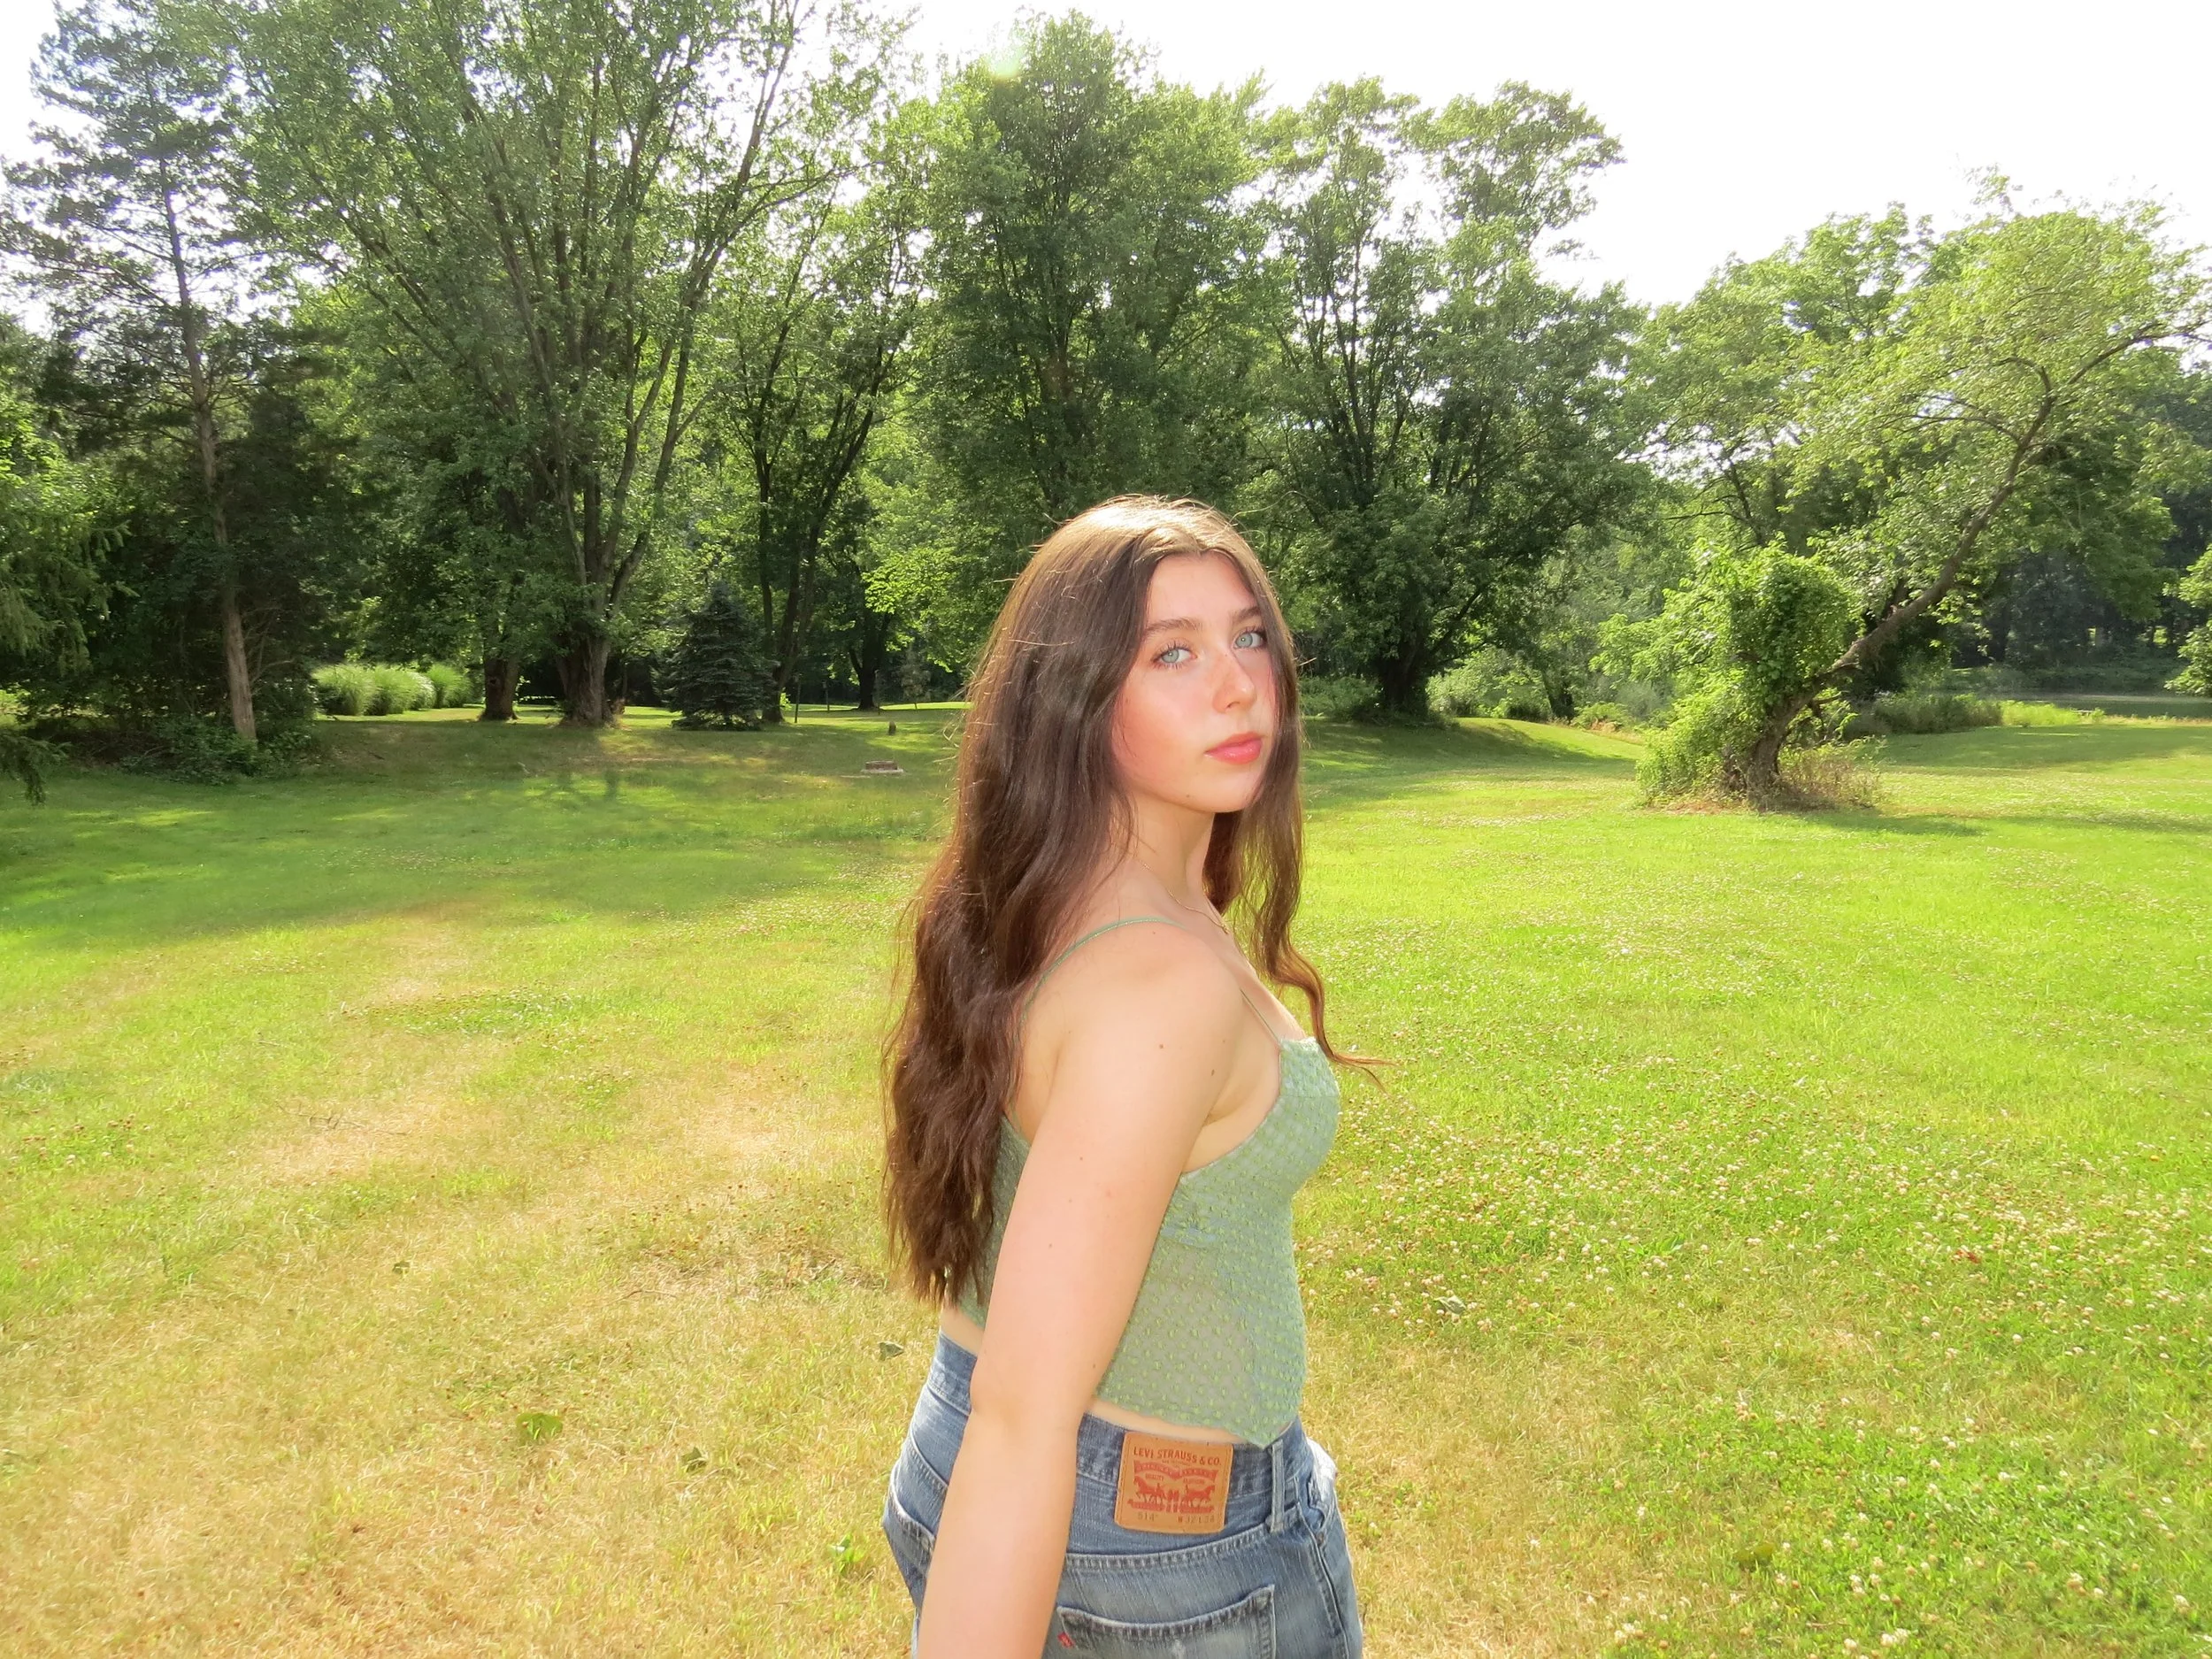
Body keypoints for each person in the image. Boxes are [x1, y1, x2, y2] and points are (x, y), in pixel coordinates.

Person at [879, 496, 1366, 1657]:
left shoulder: (1069, 889)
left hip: (1000, 1442)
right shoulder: (1159, 986)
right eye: (1174, 653)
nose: (1242, 685)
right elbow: (1025, 1419)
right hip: (1155, 1559)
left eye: (1250, 636)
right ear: (1079, 700)